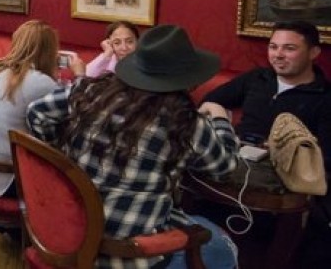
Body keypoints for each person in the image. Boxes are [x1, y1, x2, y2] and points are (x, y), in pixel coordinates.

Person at [27, 25, 239, 268]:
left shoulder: (89, 91)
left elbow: (36, 113)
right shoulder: (187, 123)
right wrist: (221, 119)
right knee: (223, 246)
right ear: (187, 79)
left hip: (64, 230)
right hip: (126, 254)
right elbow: (224, 167)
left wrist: (62, 158)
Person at [201, 20, 331, 265]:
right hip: (233, 161)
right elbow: (210, 101)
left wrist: (285, 150)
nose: (278, 55)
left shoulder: (325, 97)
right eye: (273, 47)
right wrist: (223, 124)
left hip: (282, 178)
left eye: (289, 48)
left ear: (314, 52)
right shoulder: (258, 78)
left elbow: (326, 158)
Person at [0, 20, 83, 198]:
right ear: (49, 52)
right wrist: (80, 75)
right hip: (9, 179)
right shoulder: (39, 82)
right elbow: (78, 105)